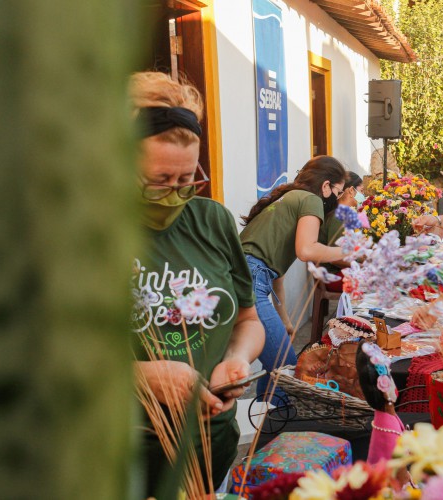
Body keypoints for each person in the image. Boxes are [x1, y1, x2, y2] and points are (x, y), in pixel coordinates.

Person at [129, 72, 265, 495]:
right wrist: (141, 376)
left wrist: (237, 359)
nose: (174, 195)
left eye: (186, 180)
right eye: (157, 183)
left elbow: (248, 320)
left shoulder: (213, 220)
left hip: (211, 444)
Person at [239, 156, 348, 402]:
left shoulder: (287, 197)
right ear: (325, 187)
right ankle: (275, 427)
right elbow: (306, 250)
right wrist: (348, 253)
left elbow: (277, 269)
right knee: (286, 367)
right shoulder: (311, 200)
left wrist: (284, 317)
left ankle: (266, 419)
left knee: (276, 366)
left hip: (245, 278)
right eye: (337, 192)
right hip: (250, 282)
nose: (336, 199)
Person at [317, 171, 365, 292]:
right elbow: (335, 258)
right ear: (350, 191)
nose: (363, 195)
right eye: (362, 191)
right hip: (334, 275)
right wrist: (361, 266)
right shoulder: (339, 217)